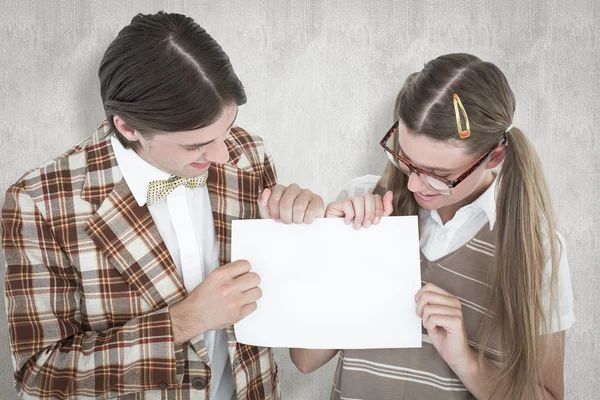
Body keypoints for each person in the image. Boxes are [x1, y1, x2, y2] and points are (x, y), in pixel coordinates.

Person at [1, 11, 324, 399]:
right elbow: (40, 374)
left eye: (226, 130)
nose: (223, 154)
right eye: (196, 145)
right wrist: (181, 323)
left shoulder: (247, 155)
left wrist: (308, 229)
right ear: (128, 128)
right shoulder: (38, 203)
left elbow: (281, 297)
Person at [290, 53, 574, 399]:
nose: (413, 186)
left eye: (440, 177)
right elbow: (303, 359)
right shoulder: (361, 200)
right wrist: (341, 250)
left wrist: (465, 360)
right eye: (407, 161)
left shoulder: (536, 249)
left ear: (494, 157)